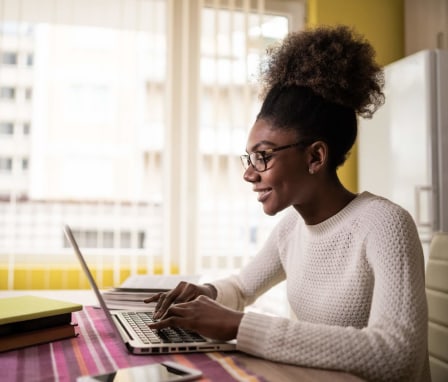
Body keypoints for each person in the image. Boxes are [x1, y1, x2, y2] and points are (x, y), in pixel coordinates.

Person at [145, 25, 430, 381]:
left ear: (315, 156)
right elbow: (242, 287)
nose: (250, 174)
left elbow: (396, 353)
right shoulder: (292, 229)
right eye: (248, 158)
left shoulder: (385, 224)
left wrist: (239, 326)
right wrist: (207, 293)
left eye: (263, 157)